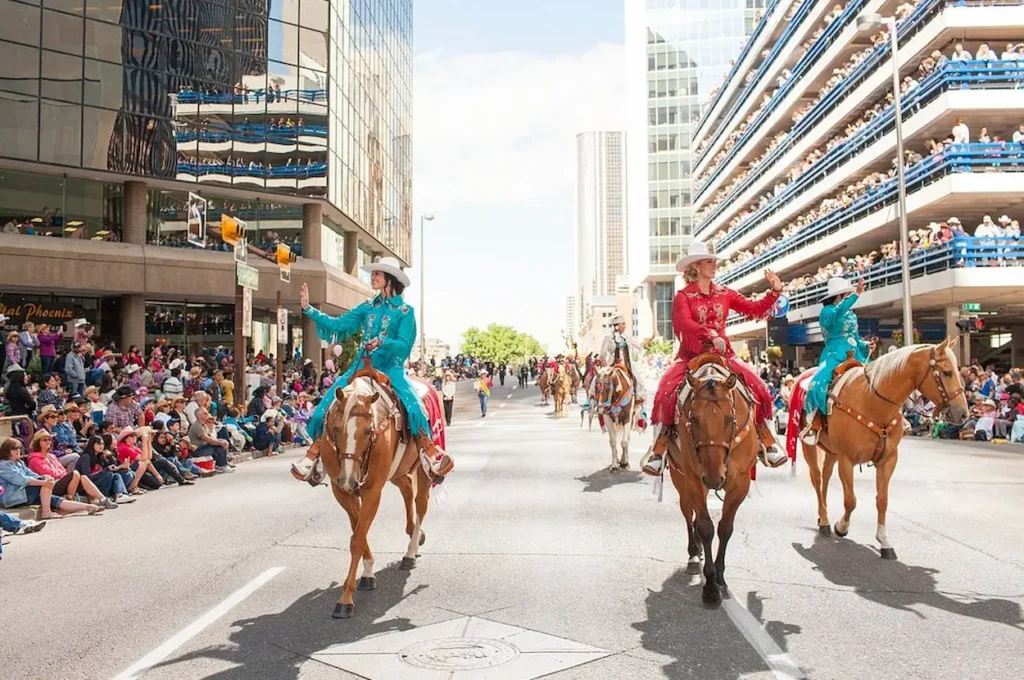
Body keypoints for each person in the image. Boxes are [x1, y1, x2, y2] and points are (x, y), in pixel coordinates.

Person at [290, 257, 453, 482]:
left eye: (377, 273)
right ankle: (315, 454)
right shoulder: (368, 307)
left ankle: (428, 451)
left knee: (414, 406)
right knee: (327, 404)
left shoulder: (405, 311)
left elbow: (404, 345)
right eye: (374, 273)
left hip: (391, 369)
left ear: (390, 279)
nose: (373, 277)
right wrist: (309, 310)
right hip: (361, 366)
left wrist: (381, 342)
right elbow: (339, 325)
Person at [642, 241, 788, 476]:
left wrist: (775, 292)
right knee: (665, 390)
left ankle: (765, 437)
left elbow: (753, 308)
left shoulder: (725, 293)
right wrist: (709, 334)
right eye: (710, 262)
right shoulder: (683, 296)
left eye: (714, 261)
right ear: (696, 266)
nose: (714, 266)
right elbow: (684, 324)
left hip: (724, 355)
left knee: (759, 387)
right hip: (692, 356)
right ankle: (660, 446)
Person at [801, 278, 872, 445]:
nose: (849, 297)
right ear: (840, 296)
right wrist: (855, 295)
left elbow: (854, 338)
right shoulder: (827, 312)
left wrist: (866, 345)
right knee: (818, 383)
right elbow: (837, 313)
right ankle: (814, 421)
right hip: (834, 354)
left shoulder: (851, 315)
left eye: (849, 295)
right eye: (846, 294)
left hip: (856, 354)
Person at [0, 438, 99, 518]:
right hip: (13, 498)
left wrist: (44, 478)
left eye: (19, 448)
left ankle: (88, 507)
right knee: (46, 482)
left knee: (54, 499)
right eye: (14, 448)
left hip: (25, 494)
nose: (18, 451)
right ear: (6, 450)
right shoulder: (4, 465)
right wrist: (43, 481)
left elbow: (32, 474)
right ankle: (46, 513)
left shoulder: (19, 463)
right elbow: (21, 480)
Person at [596, 313, 650, 421]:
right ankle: (598, 401)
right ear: (616, 326)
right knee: (598, 380)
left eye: (624, 324)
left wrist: (646, 342)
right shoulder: (608, 338)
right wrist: (604, 363)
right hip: (612, 364)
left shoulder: (628, 337)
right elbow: (602, 354)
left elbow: (638, 345)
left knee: (639, 381)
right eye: (622, 324)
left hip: (627, 364)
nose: (625, 326)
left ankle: (638, 401)